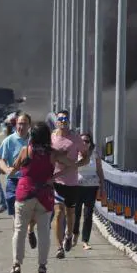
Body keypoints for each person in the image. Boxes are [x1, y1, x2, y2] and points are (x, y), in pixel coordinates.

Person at [8, 122, 76, 273]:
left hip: (25, 192)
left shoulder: (26, 151)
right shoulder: (53, 154)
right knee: (44, 231)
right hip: (45, 194)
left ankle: (16, 265)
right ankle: (42, 267)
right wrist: (54, 177)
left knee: (19, 230)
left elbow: (14, 168)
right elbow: (71, 166)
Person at [51, 109, 87, 259]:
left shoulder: (75, 139)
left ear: (69, 122)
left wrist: (76, 165)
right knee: (58, 213)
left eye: (65, 120)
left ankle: (69, 235)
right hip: (56, 181)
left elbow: (86, 157)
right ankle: (59, 247)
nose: (63, 122)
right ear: (56, 121)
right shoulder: (51, 137)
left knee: (70, 213)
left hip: (72, 182)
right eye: (60, 119)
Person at [73, 132, 106, 250]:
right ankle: (74, 233)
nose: (84, 143)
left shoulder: (94, 154)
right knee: (76, 214)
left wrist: (102, 186)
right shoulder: (74, 153)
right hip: (77, 187)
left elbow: (100, 170)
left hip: (92, 188)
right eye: (82, 141)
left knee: (88, 214)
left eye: (87, 141)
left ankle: (85, 241)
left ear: (90, 143)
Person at [0, 113, 31, 217]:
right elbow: (1, 160)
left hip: (29, 179)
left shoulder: (33, 140)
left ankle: (27, 229)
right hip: (13, 179)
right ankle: (19, 228)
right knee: (12, 202)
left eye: (24, 124)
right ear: (16, 125)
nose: (21, 127)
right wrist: (7, 170)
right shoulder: (9, 141)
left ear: (29, 126)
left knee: (27, 208)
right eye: (19, 124)